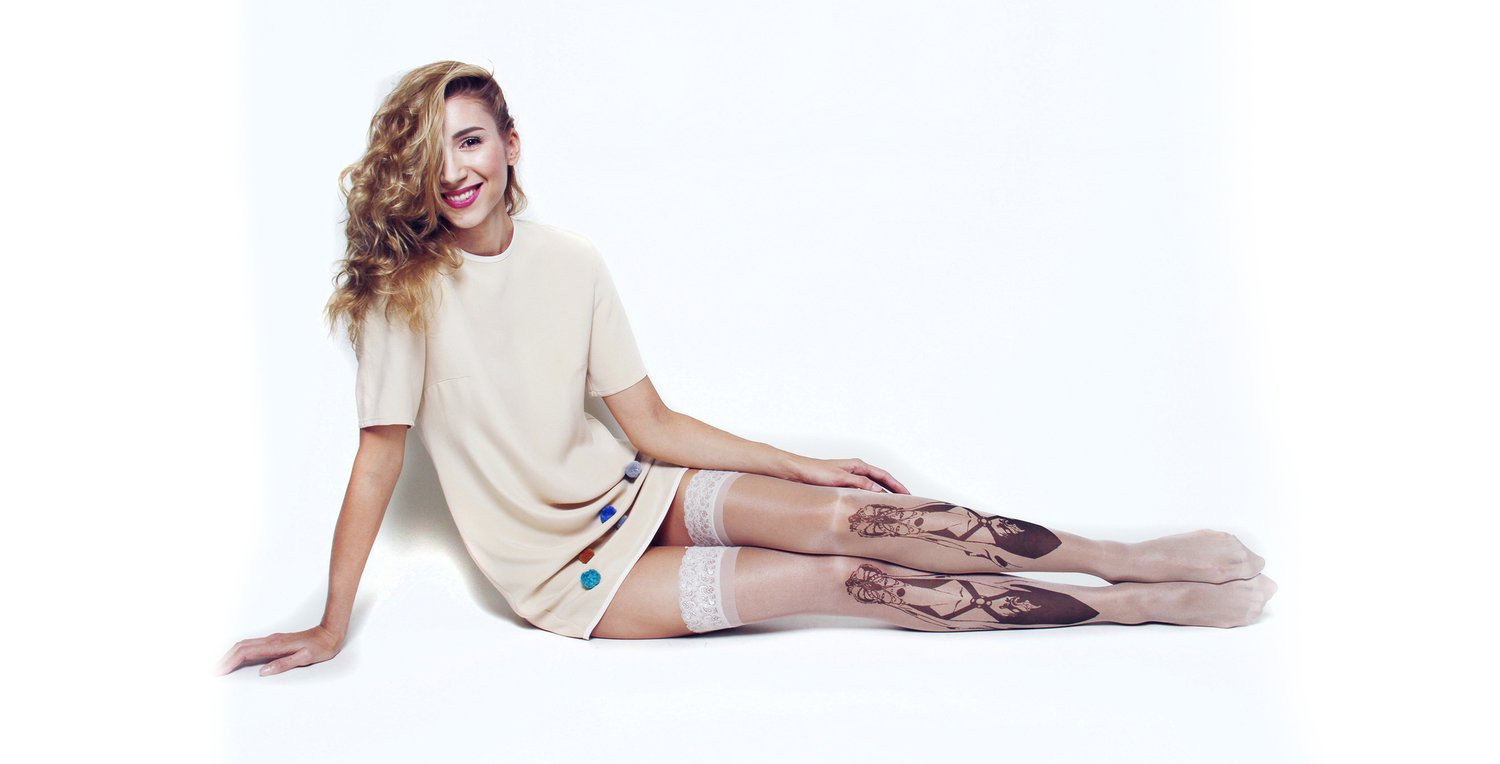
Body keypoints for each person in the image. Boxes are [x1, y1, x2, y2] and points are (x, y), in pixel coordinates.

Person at [218, 61, 1276, 678]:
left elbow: (650, 422)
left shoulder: (571, 263)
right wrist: (332, 620)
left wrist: (803, 466)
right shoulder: (402, 296)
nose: (455, 169)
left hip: (636, 489)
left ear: (510, 145)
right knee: (840, 581)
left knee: (856, 517)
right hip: (567, 574)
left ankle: (1117, 557)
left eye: (471, 141)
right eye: (433, 150)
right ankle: (1133, 611)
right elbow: (376, 462)